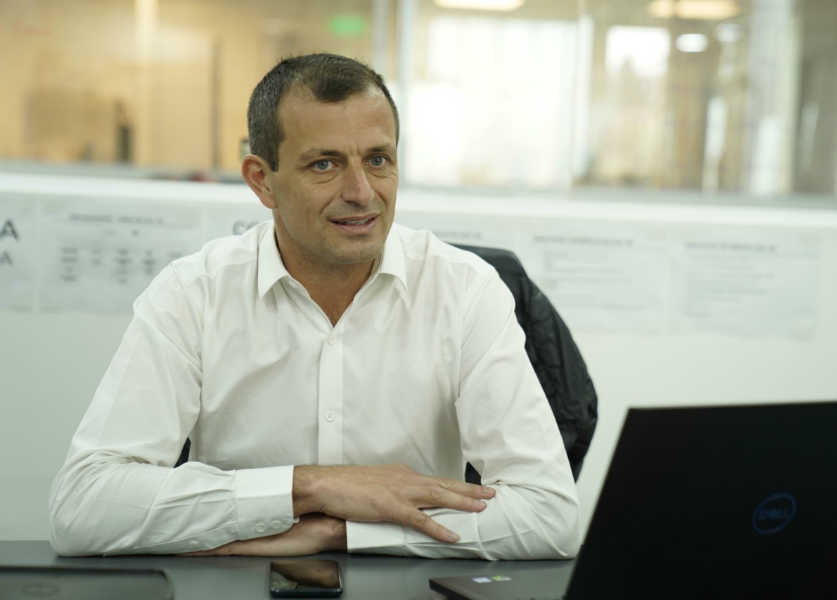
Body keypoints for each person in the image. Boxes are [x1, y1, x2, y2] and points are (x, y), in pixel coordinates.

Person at [48, 53, 579, 560]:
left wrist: (341, 534)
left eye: (378, 160)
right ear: (262, 180)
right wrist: (311, 487)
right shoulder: (194, 293)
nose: (361, 192)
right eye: (324, 164)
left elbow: (549, 514)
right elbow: (83, 506)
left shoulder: (465, 290)